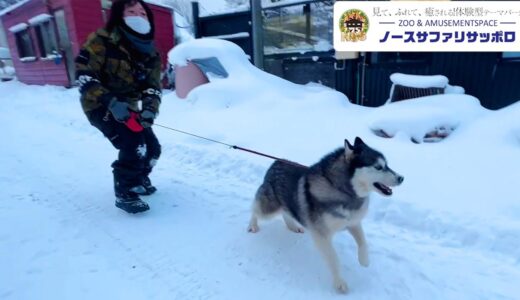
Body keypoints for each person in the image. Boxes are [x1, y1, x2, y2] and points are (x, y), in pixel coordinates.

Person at [75, 0, 162, 214]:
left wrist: (150, 109)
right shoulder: (101, 41)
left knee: (152, 148)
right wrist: (111, 102)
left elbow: (152, 87)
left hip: (129, 106)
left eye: (142, 13)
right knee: (133, 145)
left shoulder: (150, 52)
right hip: (99, 104)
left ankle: (140, 178)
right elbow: (83, 75)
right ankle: (125, 191)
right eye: (131, 12)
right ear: (118, 17)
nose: (138, 17)